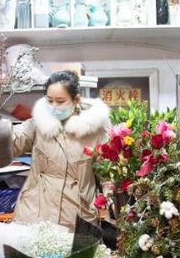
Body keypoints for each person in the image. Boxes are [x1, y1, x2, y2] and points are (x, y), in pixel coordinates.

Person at [11, 71, 110, 230]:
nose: (54, 107)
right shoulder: (38, 124)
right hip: (35, 211)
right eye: (49, 101)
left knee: (76, 254)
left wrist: (114, 204)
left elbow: (108, 175)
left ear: (76, 99)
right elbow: (13, 141)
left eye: (60, 101)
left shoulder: (95, 131)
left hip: (77, 215)